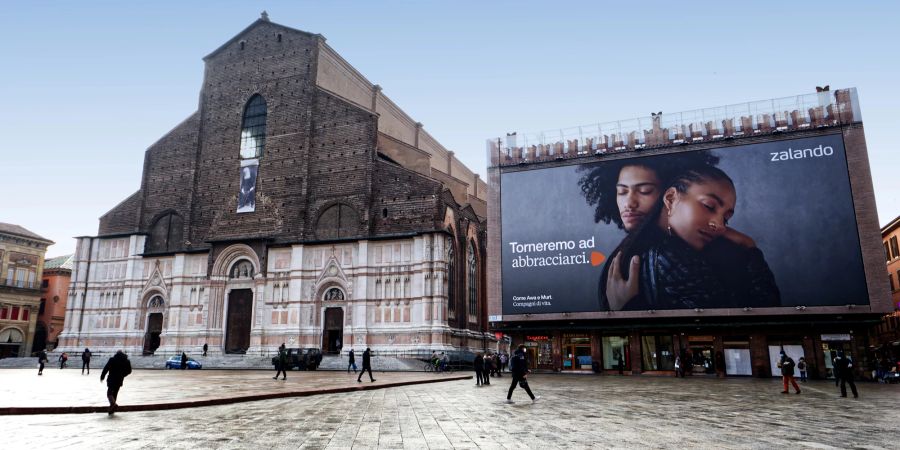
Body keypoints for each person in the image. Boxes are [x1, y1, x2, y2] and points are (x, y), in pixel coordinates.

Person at [603, 164, 781, 311]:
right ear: (671, 198)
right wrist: (751, 251)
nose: (719, 225)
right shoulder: (671, 257)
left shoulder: (641, 247)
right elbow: (762, 317)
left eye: (726, 218)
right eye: (709, 206)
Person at [100, 350, 132, 415]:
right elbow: (129, 371)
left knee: (109, 393)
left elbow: (106, 368)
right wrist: (123, 375)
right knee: (115, 394)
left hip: (112, 379)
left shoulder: (112, 359)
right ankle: (112, 409)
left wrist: (102, 376)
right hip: (119, 379)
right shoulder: (126, 361)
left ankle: (113, 404)